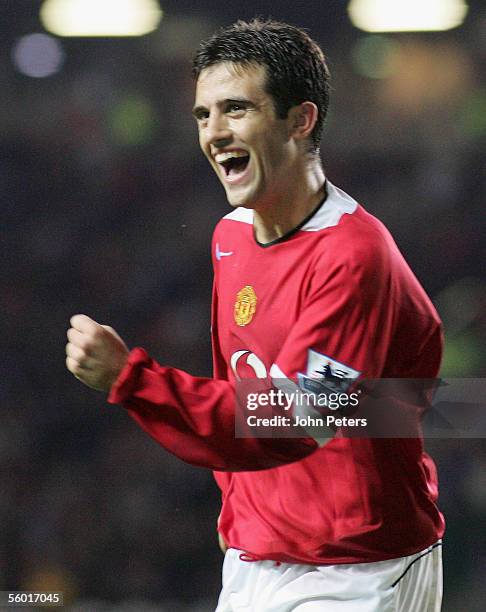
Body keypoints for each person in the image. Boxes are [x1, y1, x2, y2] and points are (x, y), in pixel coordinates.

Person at [66, 18, 444, 612]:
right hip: (256, 556)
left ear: (302, 119)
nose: (214, 133)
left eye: (236, 109)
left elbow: (300, 416)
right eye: (202, 114)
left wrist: (131, 380)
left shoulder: (352, 256)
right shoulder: (231, 237)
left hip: (358, 567)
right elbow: (239, 380)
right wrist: (240, 502)